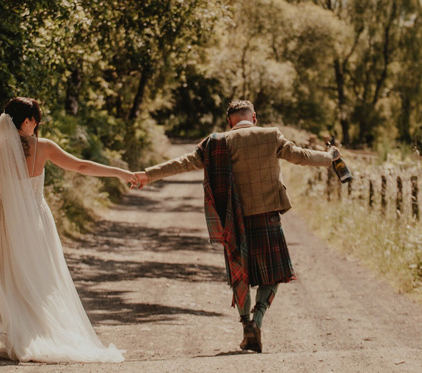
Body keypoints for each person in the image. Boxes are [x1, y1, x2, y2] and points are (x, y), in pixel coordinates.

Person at [0, 97, 134, 363]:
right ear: (26, 121)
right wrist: (121, 173)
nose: (36, 127)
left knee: (12, 273)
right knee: (41, 275)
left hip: (6, 218)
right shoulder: (44, 147)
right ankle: (37, 331)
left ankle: (20, 333)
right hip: (36, 218)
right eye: (35, 121)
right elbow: (82, 166)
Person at [134, 100, 340, 353]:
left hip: (235, 219)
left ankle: (245, 325)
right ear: (254, 117)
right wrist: (330, 158)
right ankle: (258, 319)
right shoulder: (271, 135)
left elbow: (184, 162)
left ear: (229, 122)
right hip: (268, 216)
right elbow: (302, 156)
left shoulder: (216, 142)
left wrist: (148, 174)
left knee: (239, 274)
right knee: (273, 273)